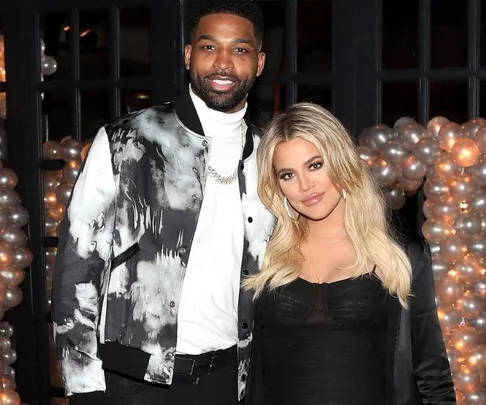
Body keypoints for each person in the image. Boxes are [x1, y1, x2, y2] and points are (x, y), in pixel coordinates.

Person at [51, 1, 275, 404]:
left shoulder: (269, 154)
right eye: (209, 48)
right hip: (133, 379)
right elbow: (78, 267)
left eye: (239, 50)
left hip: (228, 379)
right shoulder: (126, 141)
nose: (223, 63)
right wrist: (84, 386)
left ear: (258, 63)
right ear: (189, 55)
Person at [245, 103, 456, 405]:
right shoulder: (263, 256)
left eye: (315, 165)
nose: (305, 186)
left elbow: (433, 379)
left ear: (341, 161)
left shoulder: (400, 257)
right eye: (287, 175)